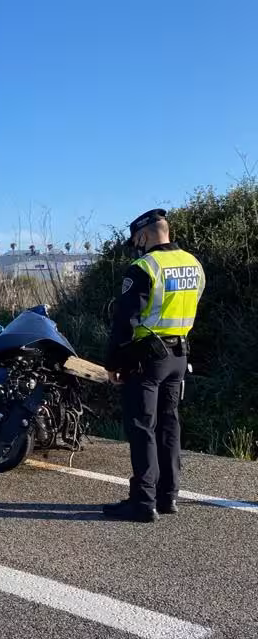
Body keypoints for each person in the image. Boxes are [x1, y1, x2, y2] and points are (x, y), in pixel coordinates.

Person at [103, 208, 205, 523]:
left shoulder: (144, 267)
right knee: (169, 425)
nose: (137, 245)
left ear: (144, 235)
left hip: (148, 358)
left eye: (136, 240)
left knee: (142, 427)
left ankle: (143, 502)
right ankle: (168, 496)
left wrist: (114, 363)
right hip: (179, 355)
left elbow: (126, 321)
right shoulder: (193, 264)